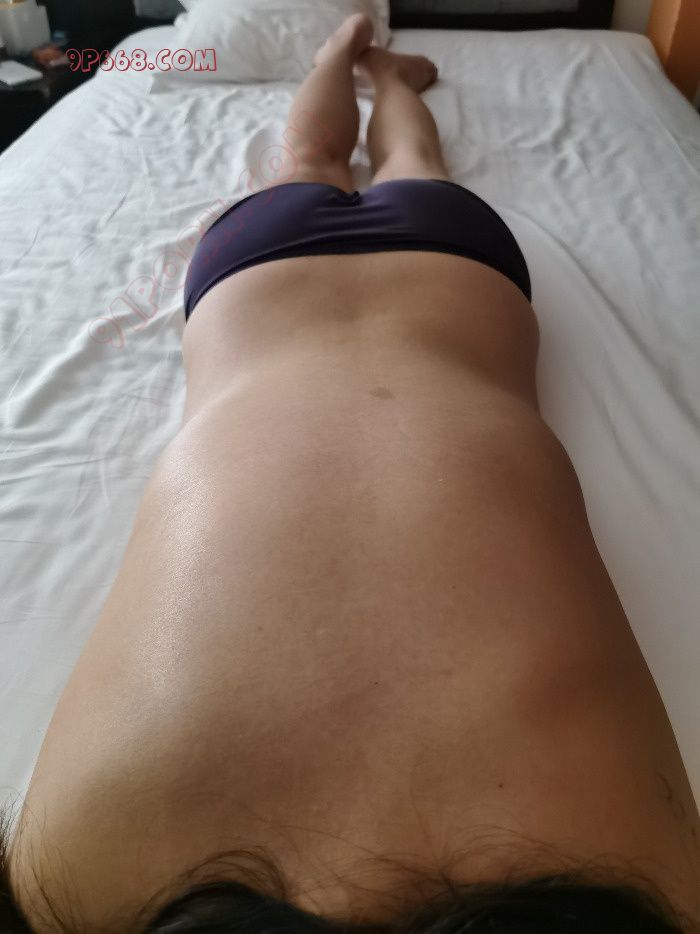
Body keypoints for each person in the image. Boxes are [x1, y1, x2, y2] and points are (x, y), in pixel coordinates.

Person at [1, 13, 698, 933]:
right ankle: (370, 68)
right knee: (360, 159)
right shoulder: (79, 881)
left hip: (407, 277)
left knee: (347, 159)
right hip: (295, 283)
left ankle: (354, 61)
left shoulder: (651, 878)